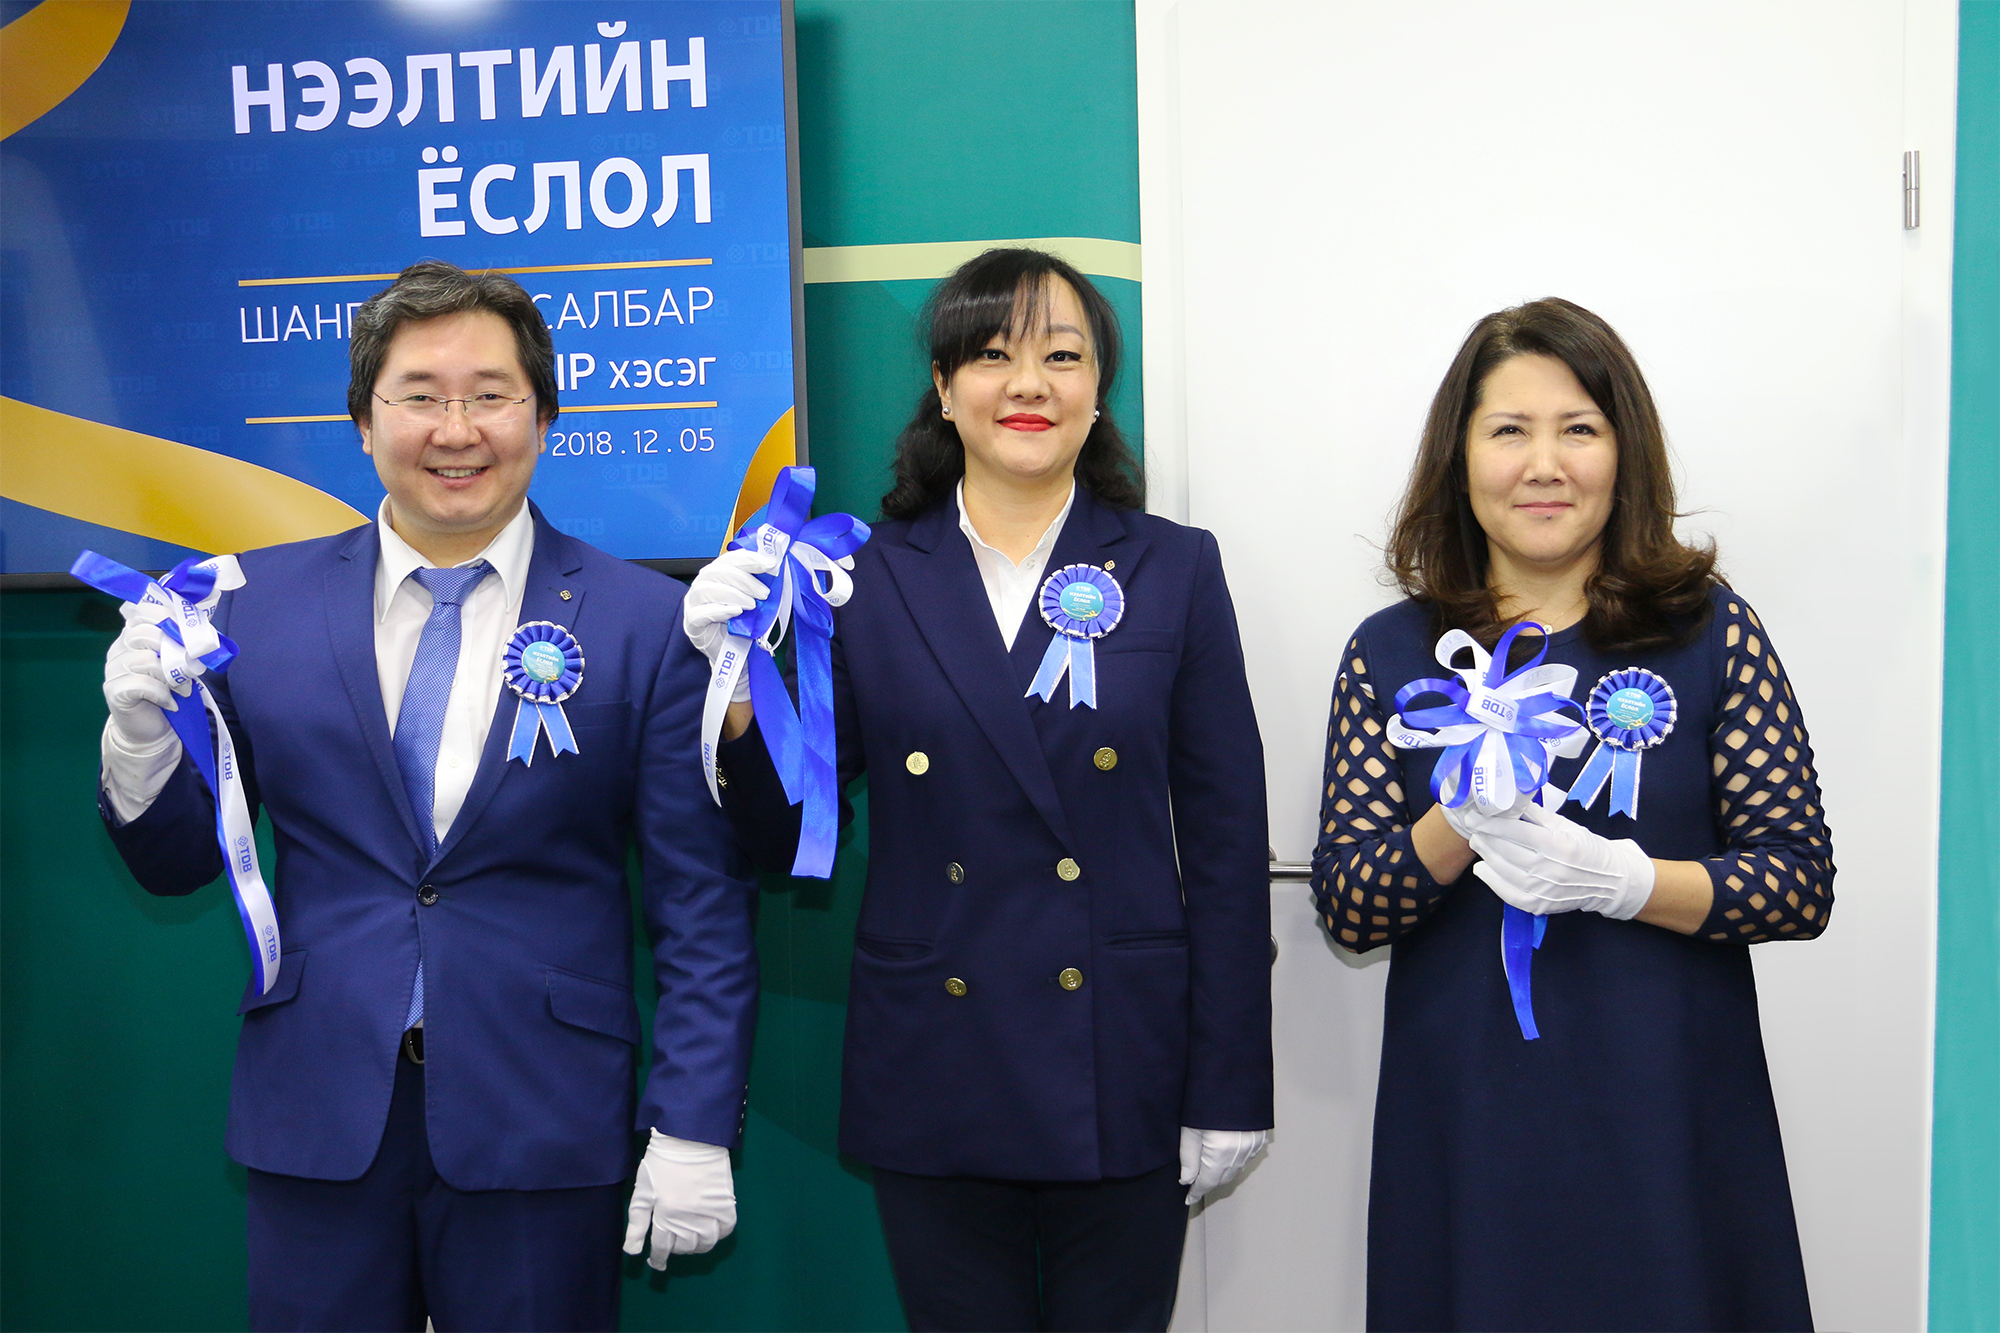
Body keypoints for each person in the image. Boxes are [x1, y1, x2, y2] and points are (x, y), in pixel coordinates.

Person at [96, 261, 756, 1332]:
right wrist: (137, 739)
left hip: (543, 1117)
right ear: (364, 422)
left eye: (491, 394)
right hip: (318, 1110)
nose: (457, 430)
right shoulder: (250, 607)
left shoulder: (646, 623)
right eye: (419, 396)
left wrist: (691, 1122)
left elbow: (701, 906)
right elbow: (173, 863)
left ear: (543, 415)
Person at [682, 248, 1274, 1332]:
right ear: (945, 388)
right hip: (936, 1058)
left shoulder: (1176, 568)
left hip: (1122, 1057)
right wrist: (733, 683)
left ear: (1098, 390)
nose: (1028, 384)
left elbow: (1227, 849)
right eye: (993, 355)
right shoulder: (864, 577)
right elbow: (782, 832)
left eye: (1063, 356)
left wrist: (1230, 1082)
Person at [1313, 297, 1831, 1332]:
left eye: (1578, 429)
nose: (1543, 465)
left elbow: (1796, 880)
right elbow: (1350, 907)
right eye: (1508, 430)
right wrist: (1460, 817)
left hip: (1668, 1102)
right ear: (1460, 458)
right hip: (1469, 1110)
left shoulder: (1710, 631)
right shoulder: (1391, 653)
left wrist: (1623, 881)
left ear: (1622, 453)